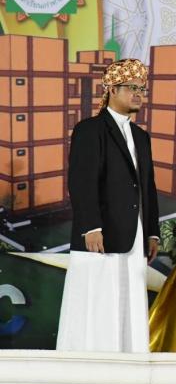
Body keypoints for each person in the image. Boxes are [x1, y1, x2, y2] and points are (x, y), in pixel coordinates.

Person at [57, 58, 160, 352]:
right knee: (97, 296)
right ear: (112, 90)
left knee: (129, 295)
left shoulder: (141, 136)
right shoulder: (90, 130)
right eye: (131, 88)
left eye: (141, 89)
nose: (138, 94)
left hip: (135, 233)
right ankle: (91, 359)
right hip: (100, 232)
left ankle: (129, 355)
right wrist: (91, 226)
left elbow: (147, 187)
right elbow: (82, 182)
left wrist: (152, 232)